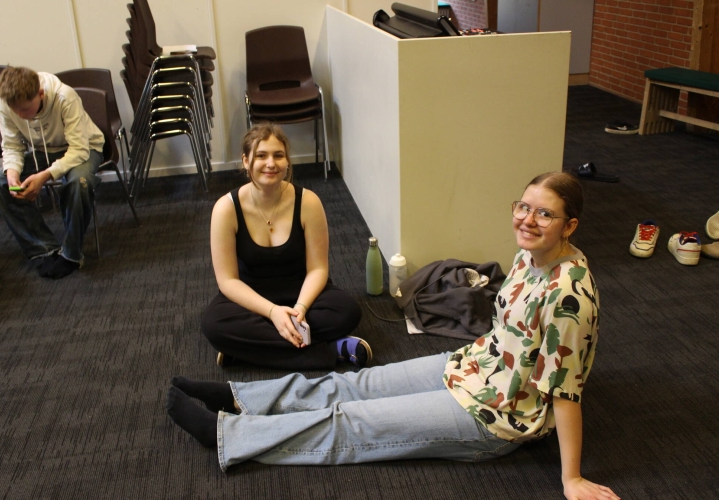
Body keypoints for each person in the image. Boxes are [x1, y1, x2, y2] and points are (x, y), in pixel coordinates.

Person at [168, 171, 619, 500]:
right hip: (473, 366)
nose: (528, 220)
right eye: (524, 207)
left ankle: (231, 435)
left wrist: (572, 478)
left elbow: (566, 393)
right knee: (354, 384)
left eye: (545, 214)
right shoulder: (530, 255)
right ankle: (240, 397)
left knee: (353, 422)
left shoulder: (569, 297)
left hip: (497, 415)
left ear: (569, 225)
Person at [200, 123, 365, 370]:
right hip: (252, 298)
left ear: (287, 161)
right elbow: (228, 281)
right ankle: (330, 351)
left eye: (278, 155)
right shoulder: (226, 208)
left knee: (347, 311)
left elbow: (318, 269)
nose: (271, 163)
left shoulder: (308, 202)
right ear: (246, 161)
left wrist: (299, 308)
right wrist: (272, 312)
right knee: (213, 325)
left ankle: (247, 351)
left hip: (301, 294)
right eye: (261, 156)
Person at [0, 66, 104, 279]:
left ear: (40, 94)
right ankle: (44, 249)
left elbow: (79, 150)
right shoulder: (5, 103)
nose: (20, 115)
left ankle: (71, 255)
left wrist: (45, 176)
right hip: (42, 151)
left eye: (25, 110)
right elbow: (12, 146)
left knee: (79, 182)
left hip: (85, 148)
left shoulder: (65, 97)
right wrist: (12, 173)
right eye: (15, 110)